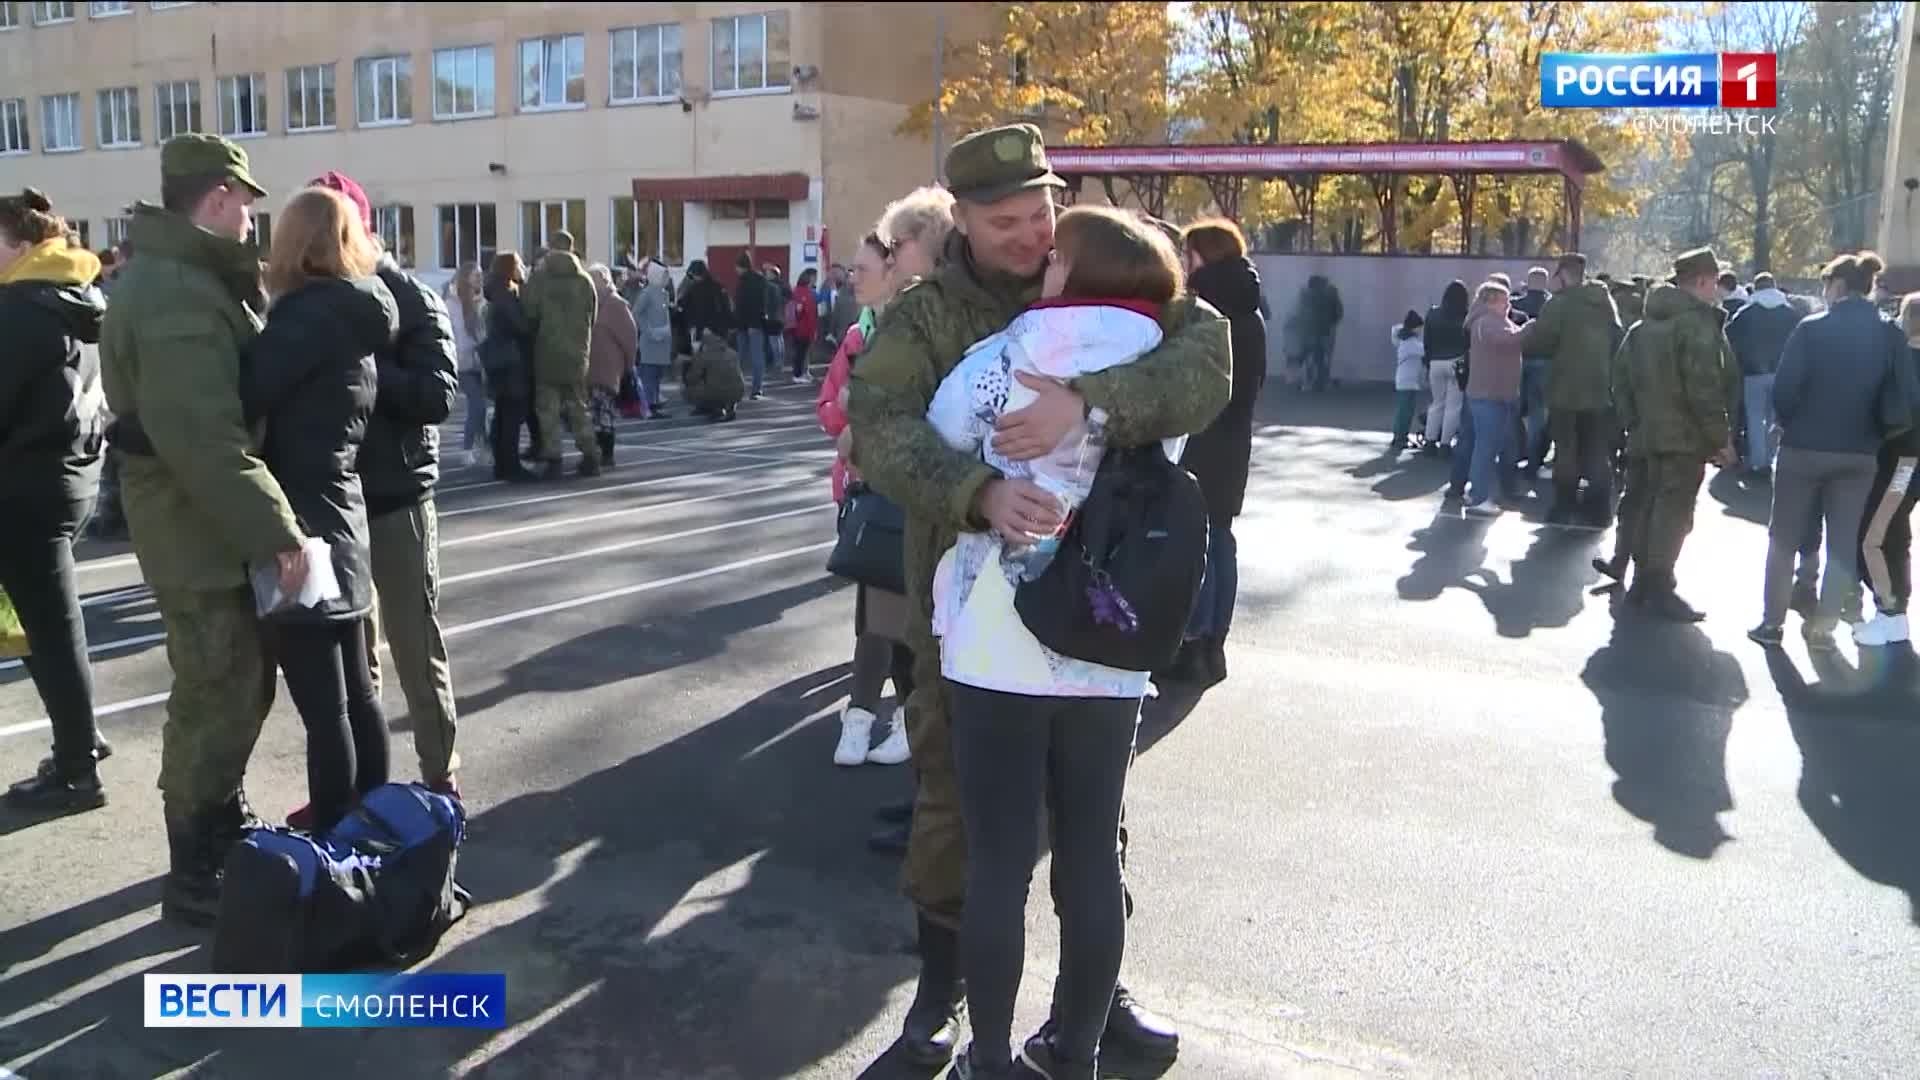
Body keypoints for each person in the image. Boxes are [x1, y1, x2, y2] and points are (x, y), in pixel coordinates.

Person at [848, 122, 1225, 1074]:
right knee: (953, 805)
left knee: (1096, 824)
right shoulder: (929, 315)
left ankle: (1094, 1002)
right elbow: (880, 429)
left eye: (1040, 214)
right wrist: (975, 492)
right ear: (962, 220)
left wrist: (1089, 399)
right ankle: (940, 997)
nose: (1028, 236)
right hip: (971, 587)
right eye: (1006, 220)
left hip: (1101, 593)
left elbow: (1205, 361)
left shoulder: (1111, 268)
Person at [916, 205, 1189, 1079]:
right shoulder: (1162, 369)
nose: (1041, 265)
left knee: (998, 860)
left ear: (1073, 271)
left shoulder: (1001, 359)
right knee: (1089, 852)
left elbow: (943, 438)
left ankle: (988, 1059)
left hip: (999, 635)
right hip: (1109, 637)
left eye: (1055, 256)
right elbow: (1166, 443)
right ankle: (1074, 1052)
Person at [100, 134, 308, 925]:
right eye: (248, 200)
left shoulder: (189, 279)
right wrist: (277, 532)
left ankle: (218, 820)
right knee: (215, 689)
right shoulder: (177, 293)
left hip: (203, 519)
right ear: (219, 194)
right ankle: (193, 866)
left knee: (238, 684)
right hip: (196, 526)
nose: (254, 215)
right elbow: (205, 439)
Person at [243, 186, 399, 833]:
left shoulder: (300, 321)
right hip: (344, 515)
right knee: (359, 696)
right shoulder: (361, 317)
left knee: (325, 707)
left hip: (296, 527)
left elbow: (243, 393)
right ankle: (376, 818)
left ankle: (338, 836)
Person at [309, 171, 465, 811]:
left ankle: (440, 778)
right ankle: (362, 787)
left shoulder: (410, 298)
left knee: (413, 643)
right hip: (329, 502)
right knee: (351, 658)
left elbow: (437, 394)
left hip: (396, 497)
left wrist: (366, 369)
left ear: (360, 228)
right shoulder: (305, 304)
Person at [819, 192, 953, 773]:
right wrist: (852, 424)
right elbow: (835, 406)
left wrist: (863, 426)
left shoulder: (934, 321)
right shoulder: (867, 333)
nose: (858, 278)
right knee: (883, 616)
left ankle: (893, 722)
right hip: (871, 494)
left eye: (882, 258)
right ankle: (886, 722)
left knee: (911, 625)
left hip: (920, 496)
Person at [0, 188, 111, 812]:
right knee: (46, 628)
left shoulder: (21, 307)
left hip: (25, 490)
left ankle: (76, 766)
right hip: (67, 482)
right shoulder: (77, 295)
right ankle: (80, 741)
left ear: (23, 246)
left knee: (50, 632)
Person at [1749, 253, 1913, 649]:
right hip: (1859, 453)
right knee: (1842, 541)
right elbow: (1907, 396)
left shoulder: (1811, 328)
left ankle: (1772, 625)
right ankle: (1822, 629)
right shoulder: (1890, 334)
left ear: (1836, 285)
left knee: (1784, 538)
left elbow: (1784, 391)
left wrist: (1786, 420)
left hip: (1803, 448)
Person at [1600, 247, 1739, 622]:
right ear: (1702, 281)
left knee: (1645, 506)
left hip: (1646, 437)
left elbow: (1620, 381)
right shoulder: (1695, 326)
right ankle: (1658, 586)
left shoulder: (1642, 327)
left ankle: (1645, 582)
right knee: (1673, 513)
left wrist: (1635, 423)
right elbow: (1704, 388)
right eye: (1714, 283)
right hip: (1684, 440)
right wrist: (1720, 439)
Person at [1169, 217, 1265, 686]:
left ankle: (1191, 641)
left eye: (1187, 254)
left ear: (1201, 256)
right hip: (1235, 438)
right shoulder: (1249, 305)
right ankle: (1214, 644)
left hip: (1203, 437)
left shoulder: (1205, 307)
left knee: (1198, 541)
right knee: (1221, 536)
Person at [1520, 252, 1624, 527]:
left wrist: (1527, 337)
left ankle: (1564, 505)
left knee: (1566, 450)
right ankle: (1600, 509)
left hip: (1565, 390)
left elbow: (1539, 344)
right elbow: (1618, 341)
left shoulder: (1559, 305)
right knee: (1597, 451)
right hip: (1601, 389)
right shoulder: (1605, 304)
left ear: (1563, 275)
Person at [1855, 293, 1920, 646]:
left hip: (1900, 463)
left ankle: (1890, 613)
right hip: (1908, 465)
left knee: (1874, 539)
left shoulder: (1901, 362)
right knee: (1894, 537)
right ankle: (1893, 612)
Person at [522, 231, 602, 480]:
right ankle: (590, 455)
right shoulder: (585, 281)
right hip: (578, 353)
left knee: (548, 411)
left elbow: (530, 314)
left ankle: (554, 458)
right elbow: (593, 317)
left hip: (547, 351)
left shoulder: (540, 279)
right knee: (579, 407)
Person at [1725, 271, 1803, 477]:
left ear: (1756, 288)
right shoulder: (1790, 313)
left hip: (1752, 372)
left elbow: (1730, 339)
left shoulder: (1746, 312)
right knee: (1773, 419)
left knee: (1754, 418)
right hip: (1781, 372)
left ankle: (1758, 462)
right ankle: (1771, 458)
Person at [1462, 281, 1527, 517]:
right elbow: (1507, 340)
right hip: (1489, 396)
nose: (1508, 303)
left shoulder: (1495, 321)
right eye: (1503, 300)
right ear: (1490, 302)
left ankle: (1475, 490)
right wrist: (1530, 328)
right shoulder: (1486, 322)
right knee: (1486, 448)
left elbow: (1510, 336)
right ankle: (1479, 497)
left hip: (1493, 394)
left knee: (1486, 446)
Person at [482, 253, 538, 483]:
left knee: (504, 414)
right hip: (511, 361)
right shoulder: (505, 294)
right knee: (512, 414)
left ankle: (503, 463)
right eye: (519, 265)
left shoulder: (495, 292)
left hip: (499, 360)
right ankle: (510, 465)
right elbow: (522, 326)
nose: (522, 268)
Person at [587, 263, 640, 465]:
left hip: (609, 368)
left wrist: (629, 364)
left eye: (594, 279)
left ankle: (606, 453)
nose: (590, 283)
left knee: (604, 410)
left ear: (604, 279)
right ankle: (597, 452)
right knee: (594, 413)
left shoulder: (616, 304)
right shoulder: (590, 303)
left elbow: (630, 337)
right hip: (590, 366)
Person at [444, 261, 490, 470]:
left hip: (480, 361)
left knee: (480, 408)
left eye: (480, 274)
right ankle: (467, 449)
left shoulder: (482, 301)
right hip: (462, 361)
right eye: (475, 275)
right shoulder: (452, 302)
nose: (479, 278)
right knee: (477, 405)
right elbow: (451, 331)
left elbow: (483, 331)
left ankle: (484, 447)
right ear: (465, 278)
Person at [1422, 281, 1470, 453]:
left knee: (1436, 403)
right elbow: (1468, 343)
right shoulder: (1466, 316)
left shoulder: (1433, 314)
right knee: (1453, 406)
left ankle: (1429, 440)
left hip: (1435, 362)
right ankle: (1445, 443)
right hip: (1457, 362)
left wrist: (1427, 362)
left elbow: (1426, 341)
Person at [631, 262, 675, 418]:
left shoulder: (664, 293)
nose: (666, 278)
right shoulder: (647, 293)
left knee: (657, 374)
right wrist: (648, 331)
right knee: (649, 374)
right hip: (651, 341)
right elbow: (636, 313)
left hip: (663, 341)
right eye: (663, 275)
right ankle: (649, 405)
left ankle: (654, 403)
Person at [733, 253, 770, 400]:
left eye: (737, 267)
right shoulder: (760, 280)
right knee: (757, 358)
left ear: (741, 267)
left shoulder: (742, 282)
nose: (736, 270)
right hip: (756, 324)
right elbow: (763, 303)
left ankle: (737, 387)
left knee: (741, 358)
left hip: (743, 324)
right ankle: (757, 388)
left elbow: (741, 304)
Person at [1390, 311, 1426, 451]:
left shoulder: (1401, 340)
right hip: (1408, 382)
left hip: (1404, 381)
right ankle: (1400, 438)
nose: (1421, 330)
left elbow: (1396, 328)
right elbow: (1427, 351)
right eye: (1419, 327)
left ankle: (1399, 437)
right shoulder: (1411, 344)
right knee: (1405, 412)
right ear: (1414, 328)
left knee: (1403, 411)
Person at [787, 267, 820, 383]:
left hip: (806, 327)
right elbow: (801, 311)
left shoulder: (807, 291)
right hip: (802, 327)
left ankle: (803, 372)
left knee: (804, 351)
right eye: (814, 277)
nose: (816, 279)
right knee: (800, 351)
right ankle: (797, 374)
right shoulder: (802, 292)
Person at [764, 262, 790, 384]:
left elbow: (769, 303)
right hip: (781, 317)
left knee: (774, 342)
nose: (766, 275)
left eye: (768, 273)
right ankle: (780, 364)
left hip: (773, 318)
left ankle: (777, 366)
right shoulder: (783, 285)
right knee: (779, 341)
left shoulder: (771, 286)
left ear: (774, 274)